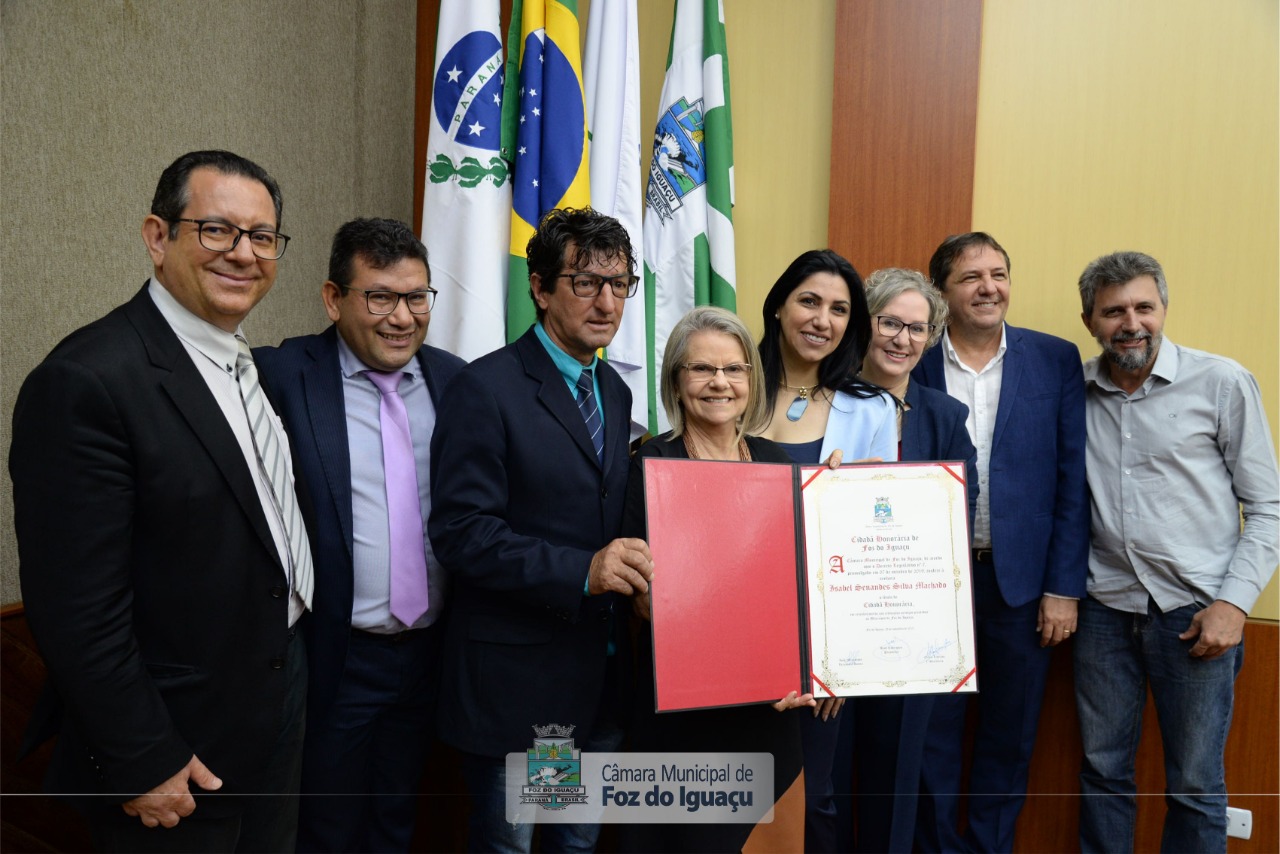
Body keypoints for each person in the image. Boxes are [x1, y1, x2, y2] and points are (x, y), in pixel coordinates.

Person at [10, 150, 310, 852]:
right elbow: (75, 608)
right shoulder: (87, 380)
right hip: (177, 746)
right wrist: (142, 756)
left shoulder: (245, 364)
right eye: (216, 230)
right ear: (157, 237)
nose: (243, 254)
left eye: (262, 237)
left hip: (276, 701)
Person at [428, 207, 654, 852]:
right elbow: (462, 532)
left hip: (598, 683)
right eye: (586, 282)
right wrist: (581, 571)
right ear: (540, 287)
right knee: (514, 847)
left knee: (573, 846)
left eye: (619, 284)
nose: (606, 301)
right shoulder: (486, 388)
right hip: (523, 691)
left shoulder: (613, 388)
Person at [253, 218, 465, 851]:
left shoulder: (457, 383)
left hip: (431, 655)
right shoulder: (282, 377)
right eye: (379, 297)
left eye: (416, 297)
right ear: (333, 298)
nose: (401, 317)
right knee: (328, 829)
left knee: (398, 820)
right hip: (335, 658)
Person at [1072, 251, 1278, 853]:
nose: (1130, 322)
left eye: (1144, 306)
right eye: (1113, 311)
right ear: (1090, 321)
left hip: (1197, 617)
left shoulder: (1222, 383)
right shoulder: (1075, 391)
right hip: (1103, 613)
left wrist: (1234, 605)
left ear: (1164, 309)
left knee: (1194, 785)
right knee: (1102, 772)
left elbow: (1267, 508)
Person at [912, 232, 1088, 853]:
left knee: (1009, 738)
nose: (989, 288)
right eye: (970, 277)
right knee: (932, 737)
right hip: (932, 585)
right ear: (941, 291)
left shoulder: (1054, 359)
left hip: (1020, 587)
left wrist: (1063, 588)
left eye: (999, 274)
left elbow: (1073, 480)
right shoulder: (914, 355)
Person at [620, 305, 817, 853]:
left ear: (752, 379)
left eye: (735, 369)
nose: (719, 383)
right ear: (676, 382)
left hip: (772, 711)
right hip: (684, 714)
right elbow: (642, 600)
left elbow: (806, 587)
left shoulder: (782, 465)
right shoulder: (647, 465)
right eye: (701, 369)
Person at [755, 248, 897, 850]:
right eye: (809, 301)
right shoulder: (728, 385)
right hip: (733, 624)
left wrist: (843, 660)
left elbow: (875, 549)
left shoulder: (872, 410)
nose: (822, 319)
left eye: (839, 309)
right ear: (780, 306)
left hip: (820, 642)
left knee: (814, 798)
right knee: (727, 797)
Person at [838, 267, 977, 852]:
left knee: (895, 780)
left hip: (909, 628)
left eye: (917, 329)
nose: (902, 339)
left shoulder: (944, 416)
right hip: (834, 621)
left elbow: (957, 514)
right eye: (890, 322)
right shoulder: (825, 399)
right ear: (865, 324)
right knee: (830, 774)